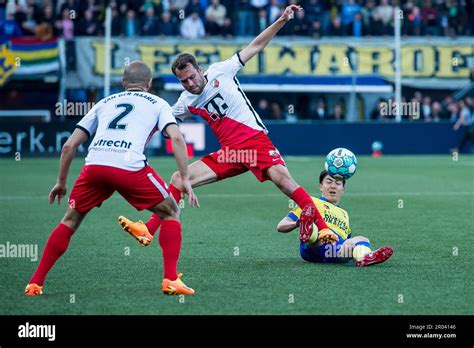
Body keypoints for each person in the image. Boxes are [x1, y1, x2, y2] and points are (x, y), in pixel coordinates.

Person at [118, 4, 330, 248]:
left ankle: (324, 229)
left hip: (254, 142)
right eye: (183, 81)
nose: (189, 83)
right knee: (178, 178)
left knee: (283, 182)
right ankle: (148, 229)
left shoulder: (222, 70)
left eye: (191, 77)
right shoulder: (185, 101)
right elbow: (160, 121)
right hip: (230, 153)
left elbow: (256, 45)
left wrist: (282, 20)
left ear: (199, 70)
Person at [25, 61, 199, 297]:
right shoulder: (158, 103)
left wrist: (61, 182)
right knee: (170, 212)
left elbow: (69, 146)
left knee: (69, 221)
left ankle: (35, 283)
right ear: (149, 84)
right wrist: (185, 177)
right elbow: (177, 139)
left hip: (95, 166)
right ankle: (170, 279)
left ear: (123, 83)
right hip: (129, 167)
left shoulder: (104, 102)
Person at [277, 170, 394, 266]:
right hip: (314, 247)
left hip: (334, 251)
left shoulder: (344, 214)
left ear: (342, 189)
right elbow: (281, 226)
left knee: (361, 239)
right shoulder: (310, 202)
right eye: (328, 182)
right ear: (320, 186)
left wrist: (353, 247)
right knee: (314, 227)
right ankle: (307, 229)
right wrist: (297, 223)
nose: (333, 186)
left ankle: (365, 257)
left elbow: (348, 240)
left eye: (338, 183)